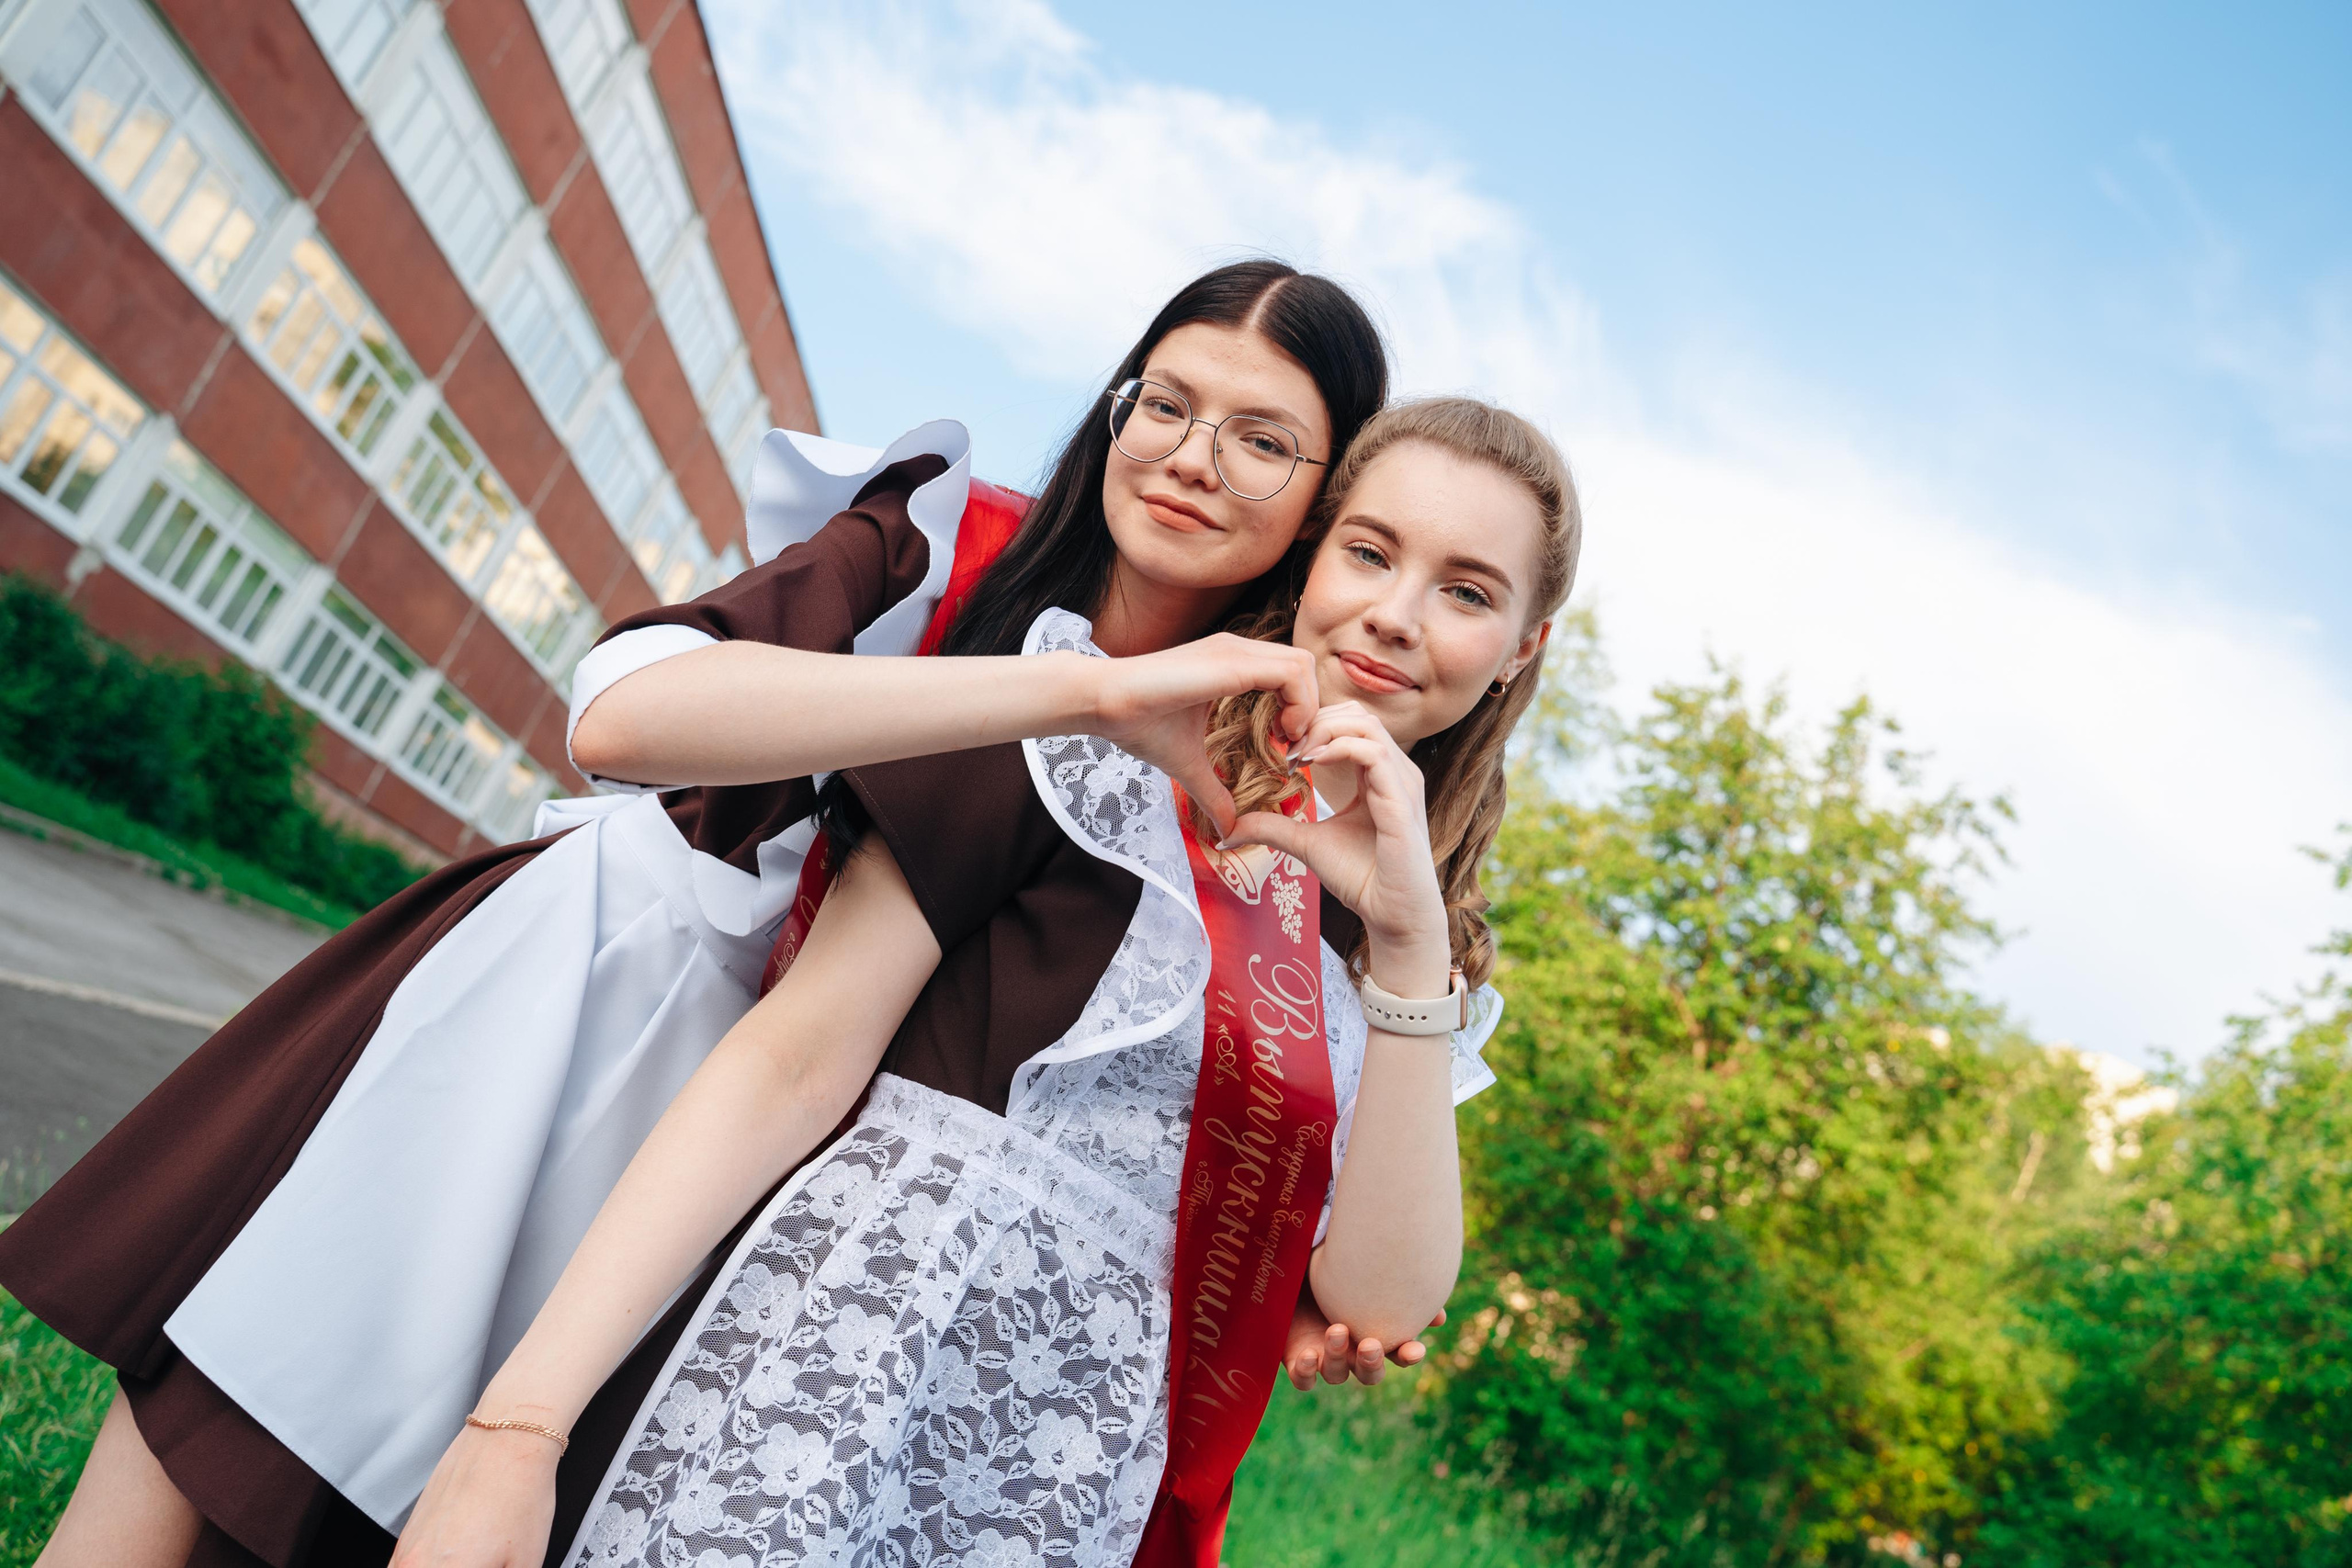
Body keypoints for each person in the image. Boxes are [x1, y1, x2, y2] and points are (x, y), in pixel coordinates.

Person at [14, 261, 1393, 1568]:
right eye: (1166, 403)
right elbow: (625, 715)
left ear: (1330, 494)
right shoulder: (947, 544)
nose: (1193, 457)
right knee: (250, 1405)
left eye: (1263, 439)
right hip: (599, 1012)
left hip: (797, 1155)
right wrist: (1080, 690)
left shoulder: (1271, 775)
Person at [391, 396, 1584, 1568]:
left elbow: (1378, 1295)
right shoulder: (1101, 728)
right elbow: (792, 1062)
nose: (1396, 615)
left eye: (1469, 591)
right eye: (1370, 553)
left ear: (1525, 643)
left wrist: (1413, 940)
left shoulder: (1406, 954)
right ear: (1313, 557)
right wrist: (520, 1428)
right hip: (820, 1379)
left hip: (1070, 1486)